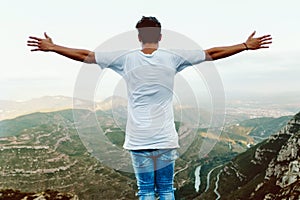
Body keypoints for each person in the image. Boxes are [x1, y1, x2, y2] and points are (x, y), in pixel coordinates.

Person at [27, 16, 272, 200]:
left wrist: (54, 47)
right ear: (161, 36)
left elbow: (86, 56)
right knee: (166, 189)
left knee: (146, 191)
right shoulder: (173, 57)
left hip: (139, 139)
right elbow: (211, 53)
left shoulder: (125, 58)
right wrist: (244, 45)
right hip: (165, 139)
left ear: (138, 36)